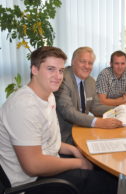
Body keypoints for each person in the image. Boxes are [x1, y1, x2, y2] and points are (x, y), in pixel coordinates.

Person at [0, 46, 118, 194]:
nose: (58, 76)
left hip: (48, 162)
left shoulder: (48, 95)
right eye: (50, 69)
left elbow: (49, 141)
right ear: (34, 70)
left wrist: (74, 150)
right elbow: (33, 166)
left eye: (61, 70)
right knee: (109, 183)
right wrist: (79, 163)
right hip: (31, 182)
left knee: (106, 171)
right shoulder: (23, 106)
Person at [55, 47, 122, 145]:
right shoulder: (62, 79)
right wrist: (98, 122)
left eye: (90, 63)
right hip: (65, 137)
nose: (87, 66)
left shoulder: (90, 81)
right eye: (83, 61)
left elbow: (95, 106)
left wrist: (119, 109)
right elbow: (68, 112)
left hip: (83, 130)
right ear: (73, 61)